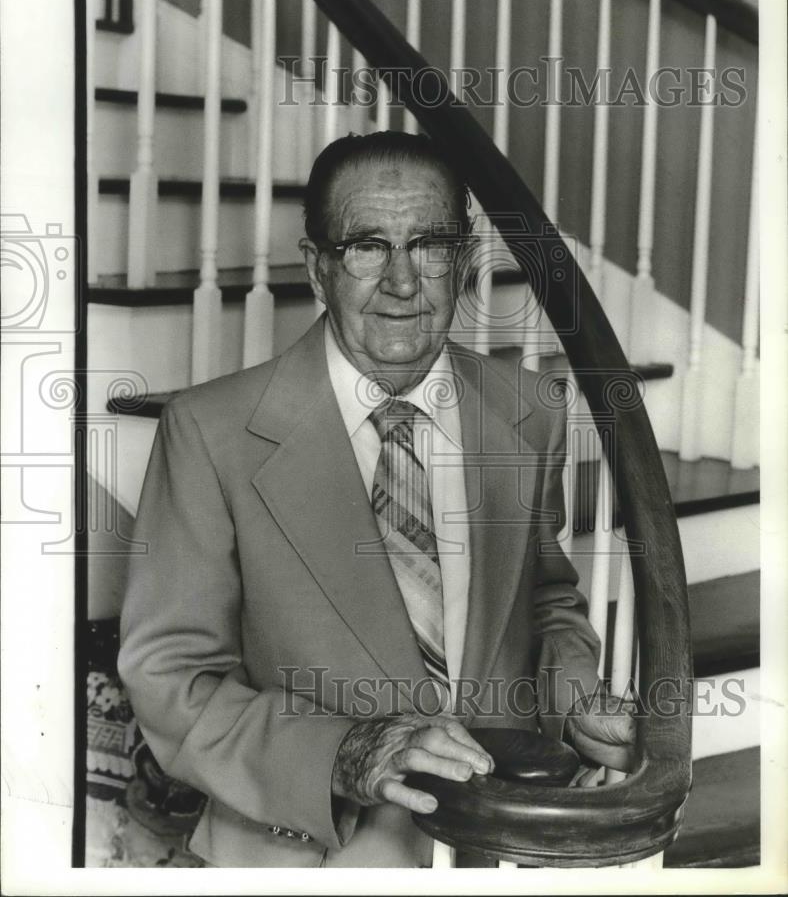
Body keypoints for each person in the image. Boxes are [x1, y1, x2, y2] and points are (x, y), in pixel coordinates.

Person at [118, 131, 635, 868]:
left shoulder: (529, 412)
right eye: (367, 246)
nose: (401, 282)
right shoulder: (211, 432)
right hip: (307, 856)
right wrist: (346, 751)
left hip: (496, 843)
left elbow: (544, 603)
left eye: (428, 244)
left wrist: (578, 701)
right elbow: (171, 679)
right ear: (318, 268)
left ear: (461, 262)